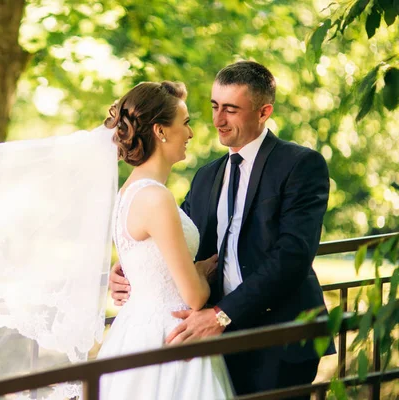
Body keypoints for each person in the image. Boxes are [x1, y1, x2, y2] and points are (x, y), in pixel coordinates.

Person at [110, 61, 335, 398]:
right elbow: (167, 239)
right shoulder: (205, 176)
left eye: (231, 109)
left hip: (277, 339)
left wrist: (222, 315)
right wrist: (128, 270)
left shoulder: (301, 165)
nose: (217, 120)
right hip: (209, 340)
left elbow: (293, 256)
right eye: (215, 107)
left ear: (264, 112)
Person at [97, 81, 234, 399]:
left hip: (137, 330)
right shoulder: (156, 198)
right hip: (171, 335)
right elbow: (196, 297)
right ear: (160, 131)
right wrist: (201, 271)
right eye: (185, 123)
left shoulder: (129, 191)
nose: (190, 133)